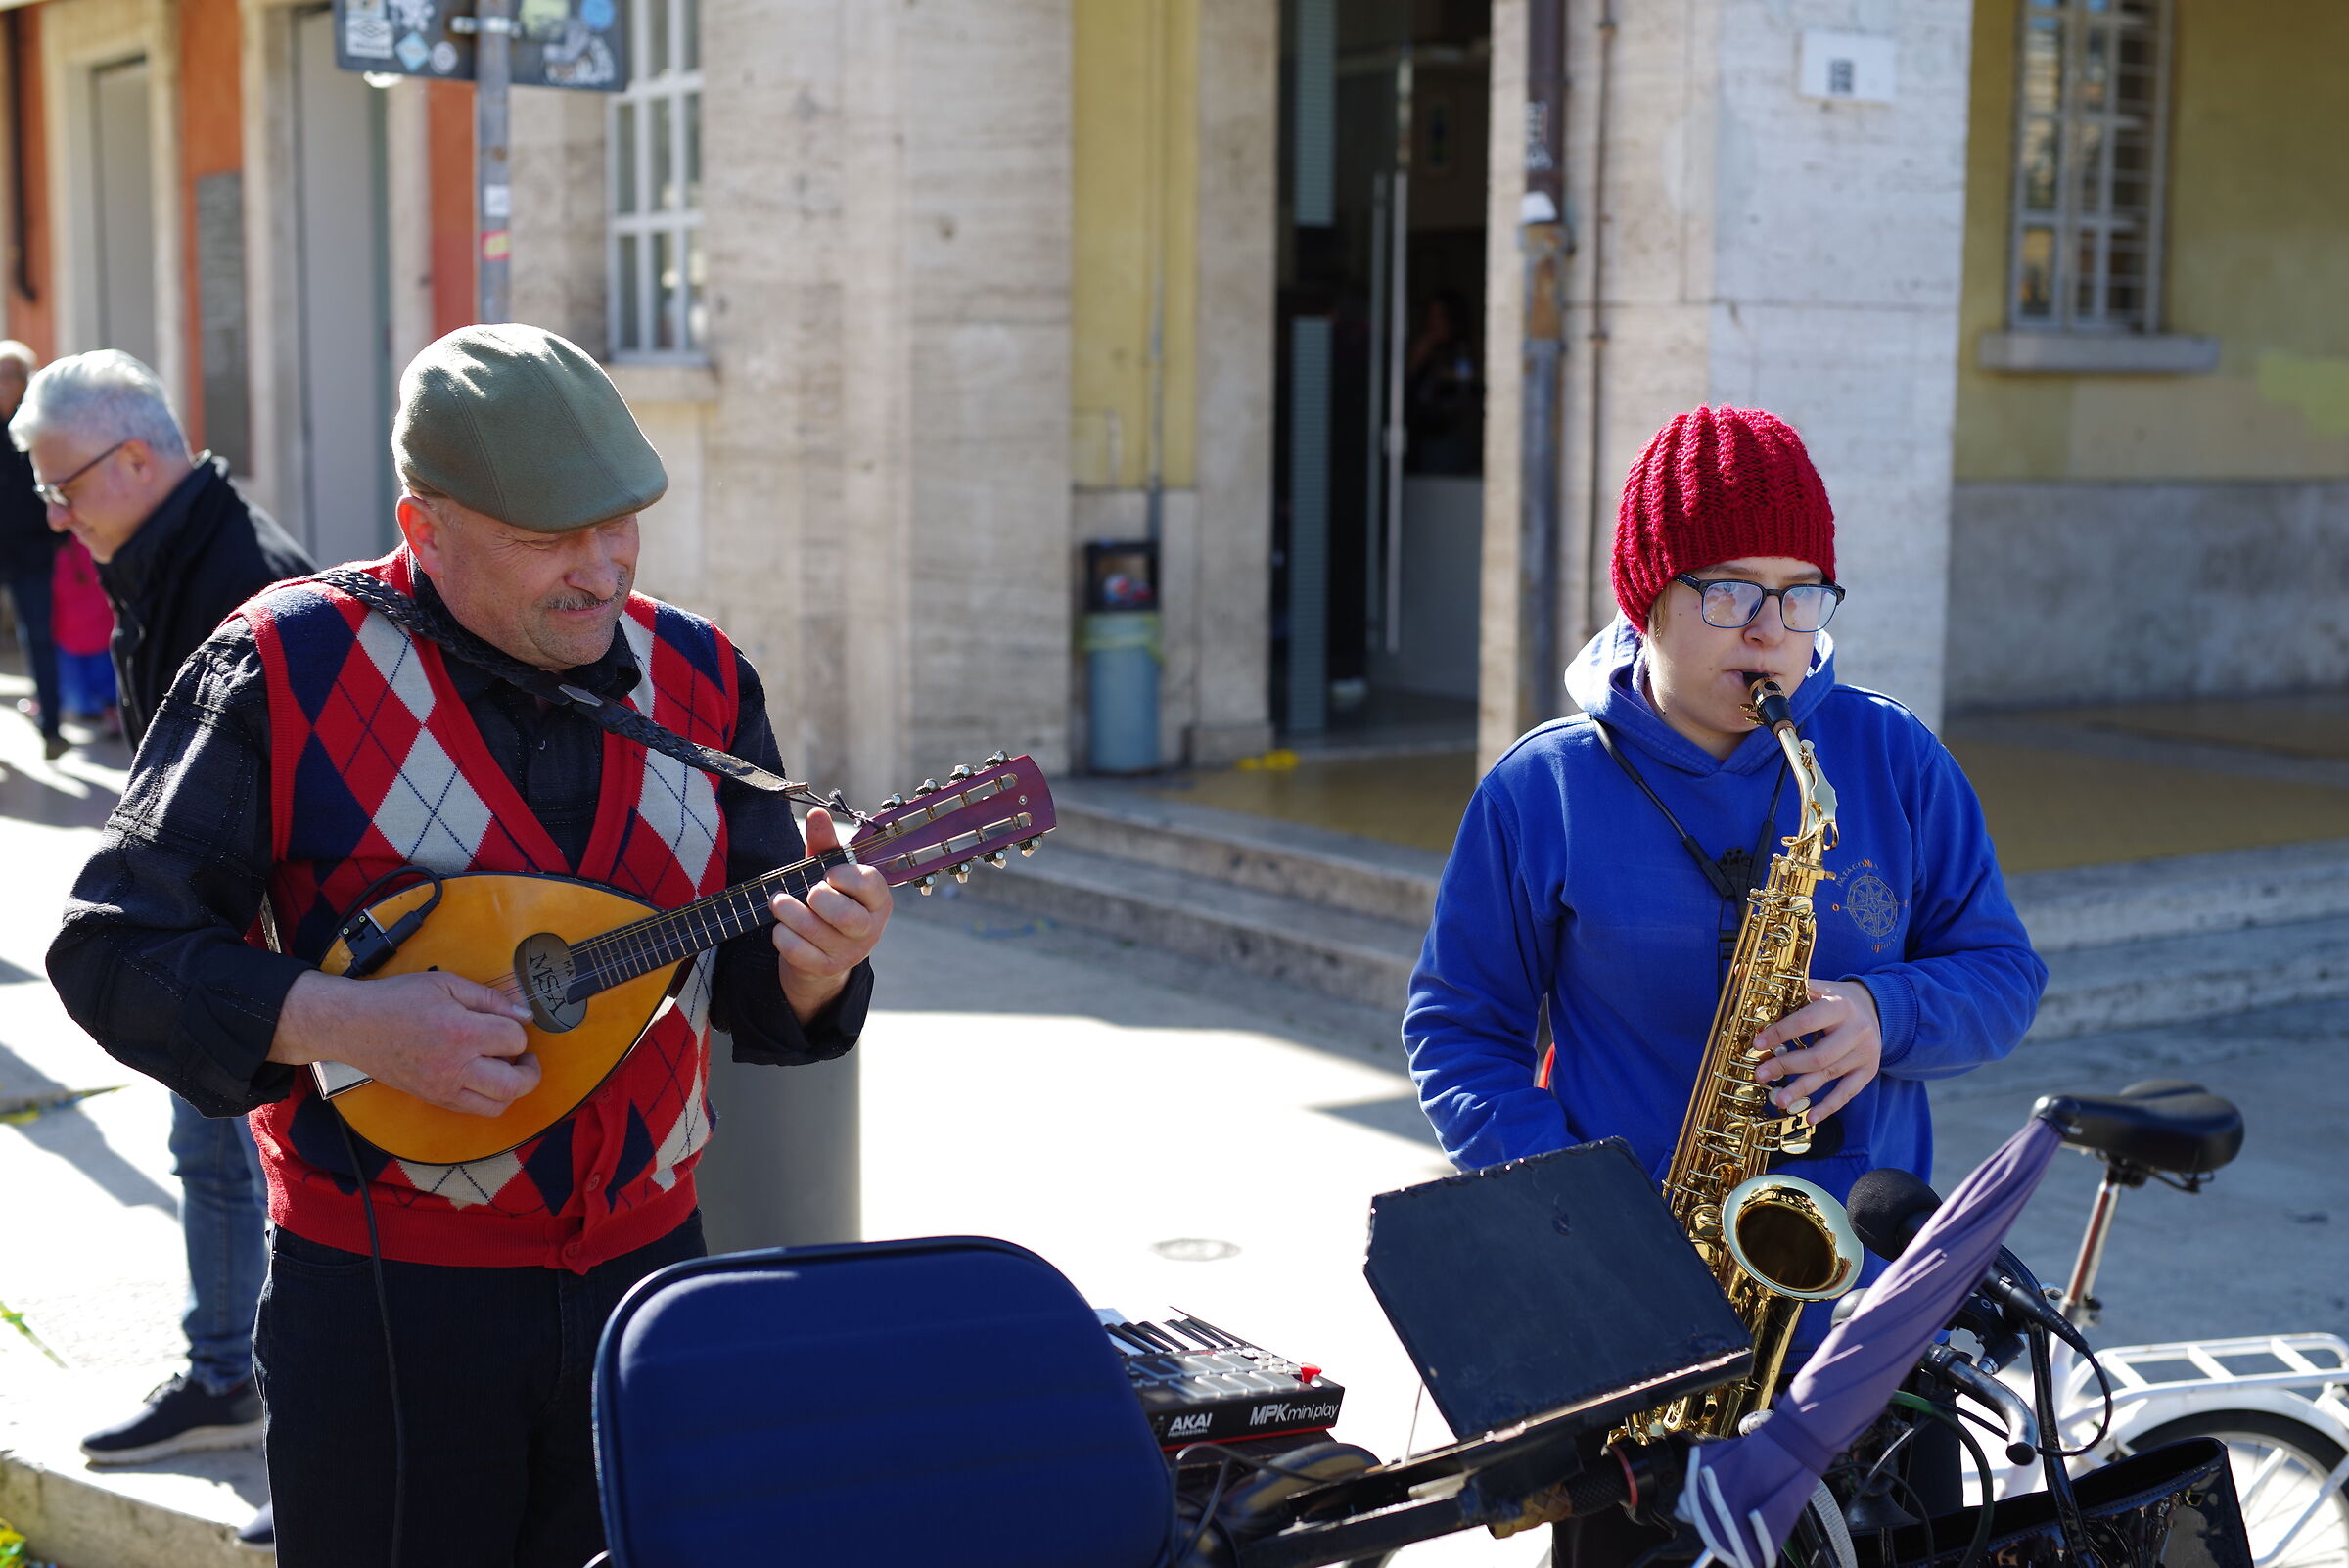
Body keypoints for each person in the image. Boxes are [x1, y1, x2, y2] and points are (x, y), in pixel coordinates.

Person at [48, 323, 892, 1568]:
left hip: (649, 1288)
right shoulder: (282, 665)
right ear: (426, 525)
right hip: (389, 1302)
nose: (601, 571)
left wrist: (820, 965)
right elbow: (116, 949)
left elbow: (757, 980)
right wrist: (350, 1022)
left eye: (619, 524)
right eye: (549, 538)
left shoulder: (705, 676)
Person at [1405, 402, 2046, 1288]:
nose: (1771, 630)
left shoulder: (1893, 756)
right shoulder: (1541, 787)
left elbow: (2005, 977)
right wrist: (1575, 1206)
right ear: (1647, 599)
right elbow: (1460, 1030)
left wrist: (1883, 1012)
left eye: (1801, 592)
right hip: (1619, 1262)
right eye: (1729, 590)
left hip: (1851, 1277)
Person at [14, 354, 312, 1533]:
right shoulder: (166, 550)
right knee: (213, 1164)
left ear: (134, 458)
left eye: (60, 487)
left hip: (260, 953)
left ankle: (309, 1438)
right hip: (210, 936)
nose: (52, 513)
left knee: (289, 1194)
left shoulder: (238, 572)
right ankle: (222, 1378)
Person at [0, 340, 65, 760]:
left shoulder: (41, 426)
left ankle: (52, 728)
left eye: (11, 376)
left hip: (32, 551)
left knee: (39, 637)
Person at [50, 534, 117, 735]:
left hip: (69, 634)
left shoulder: (56, 556)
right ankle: (110, 712)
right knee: (106, 678)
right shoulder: (99, 547)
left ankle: (92, 710)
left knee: (74, 681)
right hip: (102, 633)